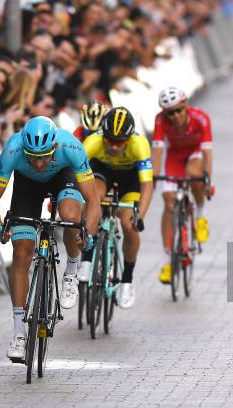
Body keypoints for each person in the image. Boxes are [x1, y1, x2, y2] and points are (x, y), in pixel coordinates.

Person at [0, 116, 100, 360]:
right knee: (22, 253)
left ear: (55, 147)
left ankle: (71, 271)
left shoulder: (71, 146)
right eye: (33, 157)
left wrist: (86, 230)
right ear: (23, 149)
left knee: (69, 216)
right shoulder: (12, 149)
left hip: (63, 178)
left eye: (45, 157)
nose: (39, 164)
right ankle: (19, 334)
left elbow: (93, 199)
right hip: (27, 188)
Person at [81, 107, 153, 308]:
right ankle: (87, 257)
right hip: (102, 172)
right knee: (94, 199)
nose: (113, 146)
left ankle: (127, 280)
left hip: (130, 178)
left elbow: (147, 185)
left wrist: (141, 217)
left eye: (119, 141)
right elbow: (74, 174)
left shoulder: (139, 144)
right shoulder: (93, 142)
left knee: (128, 225)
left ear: (129, 138)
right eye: (109, 140)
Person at [152, 86, 213, 284]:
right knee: (168, 203)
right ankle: (168, 259)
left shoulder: (201, 118)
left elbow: (207, 152)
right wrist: (153, 177)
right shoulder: (160, 120)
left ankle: (201, 216)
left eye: (178, 110)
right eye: (170, 113)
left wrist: (207, 179)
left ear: (185, 106)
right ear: (164, 113)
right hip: (175, 158)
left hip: (195, 154)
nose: (175, 116)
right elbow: (159, 151)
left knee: (194, 174)